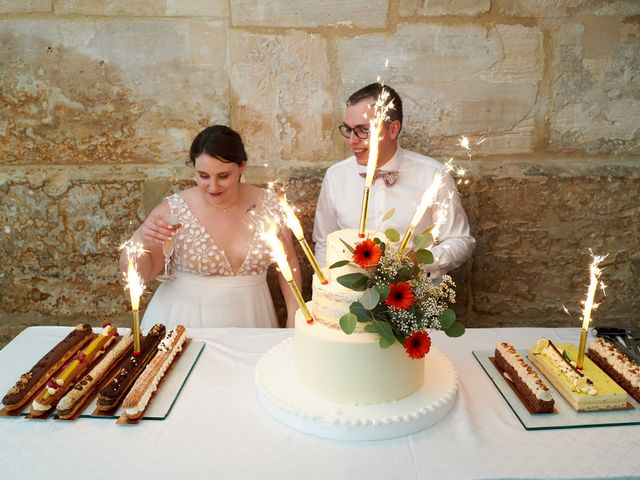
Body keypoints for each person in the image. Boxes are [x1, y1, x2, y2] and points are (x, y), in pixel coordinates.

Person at [120, 125, 302, 329]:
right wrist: (140, 238)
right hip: (184, 320)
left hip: (253, 317)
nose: (213, 186)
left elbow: (288, 261)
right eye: (203, 176)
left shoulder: (269, 206)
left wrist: (294, 313)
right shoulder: (173, 210)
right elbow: (141, 277)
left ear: (242, 166)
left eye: (223, 176)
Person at [313, 83, 475, 278]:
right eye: (348, 129)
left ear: (393, 129)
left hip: (416, 301)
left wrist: (423, 260)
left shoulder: (433, 175)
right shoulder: (335, 176)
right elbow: (324, 243)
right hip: (351, 304)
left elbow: (460, 241)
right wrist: (329, 291)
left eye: (363, 130)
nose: (352, 141)